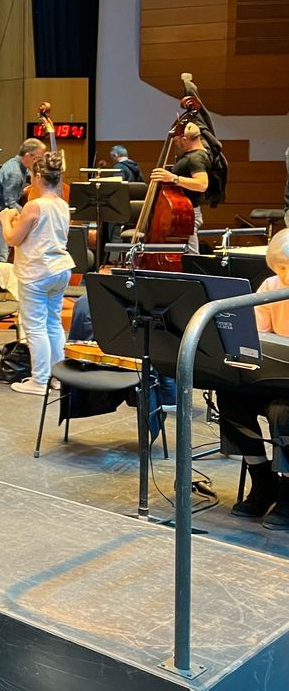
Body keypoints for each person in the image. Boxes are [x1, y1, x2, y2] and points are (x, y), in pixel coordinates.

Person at [217, 228, 289, 529]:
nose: (283, 275)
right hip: (275, 376)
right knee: (229, 397)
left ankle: (288, 492)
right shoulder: (271, 286)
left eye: (288, 269)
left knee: (282, 414)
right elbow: (257, 335)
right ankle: (262, 480)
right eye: (280, 268)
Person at [1, 151, 74, 395]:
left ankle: (39, 380)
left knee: (35, 327)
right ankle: (58, 378)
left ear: (40, 176)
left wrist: (6, 219)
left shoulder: (34, 206)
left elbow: (13, 239)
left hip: (37, 272)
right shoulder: (63, 204)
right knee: (53, 323)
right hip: (60, 270)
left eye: (32, 175)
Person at [149, 121, 210, 253]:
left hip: (187, 213)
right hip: (184, 210)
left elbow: (202, 184)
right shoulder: (194, 155)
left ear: (185, 139)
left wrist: (173, 178)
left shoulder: (196, 158)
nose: (175, 144)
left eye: (176, 141)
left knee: (191, 255)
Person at [0, 138, 46, 262]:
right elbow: (9, 202)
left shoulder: (20, 166)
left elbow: (27, 179)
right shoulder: (14, 172)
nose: (38, 162)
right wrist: (30, 215)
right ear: (27, 155)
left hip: (0, 215)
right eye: (37, 158)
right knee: (0, 256)